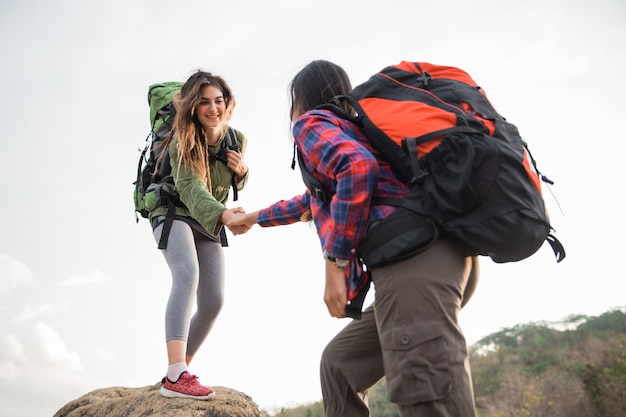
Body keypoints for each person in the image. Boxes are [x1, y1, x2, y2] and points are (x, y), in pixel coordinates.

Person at [228, 60, 480, 416]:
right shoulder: (357, 127)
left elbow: (357, 168)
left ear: (299, 99)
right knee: (339, 365)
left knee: (429, 395)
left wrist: (336, 262)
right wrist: (254, 218)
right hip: (442, 259)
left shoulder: (312, 123)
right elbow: (315, 198)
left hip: (413, 263)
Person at [149, 70, 250, 400]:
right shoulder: (183, 139)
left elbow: (228, 184)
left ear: (227, 102)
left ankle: (175, 373)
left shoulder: (236, 139)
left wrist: (243, 173)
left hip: (207, 219)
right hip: (173, 209)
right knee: (186, 274)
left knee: (213, 301)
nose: (213, 108)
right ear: (192, 106)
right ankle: (177, 373)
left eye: (218, 101)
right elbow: (190, 187)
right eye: (204, 101)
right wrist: (222, 215)